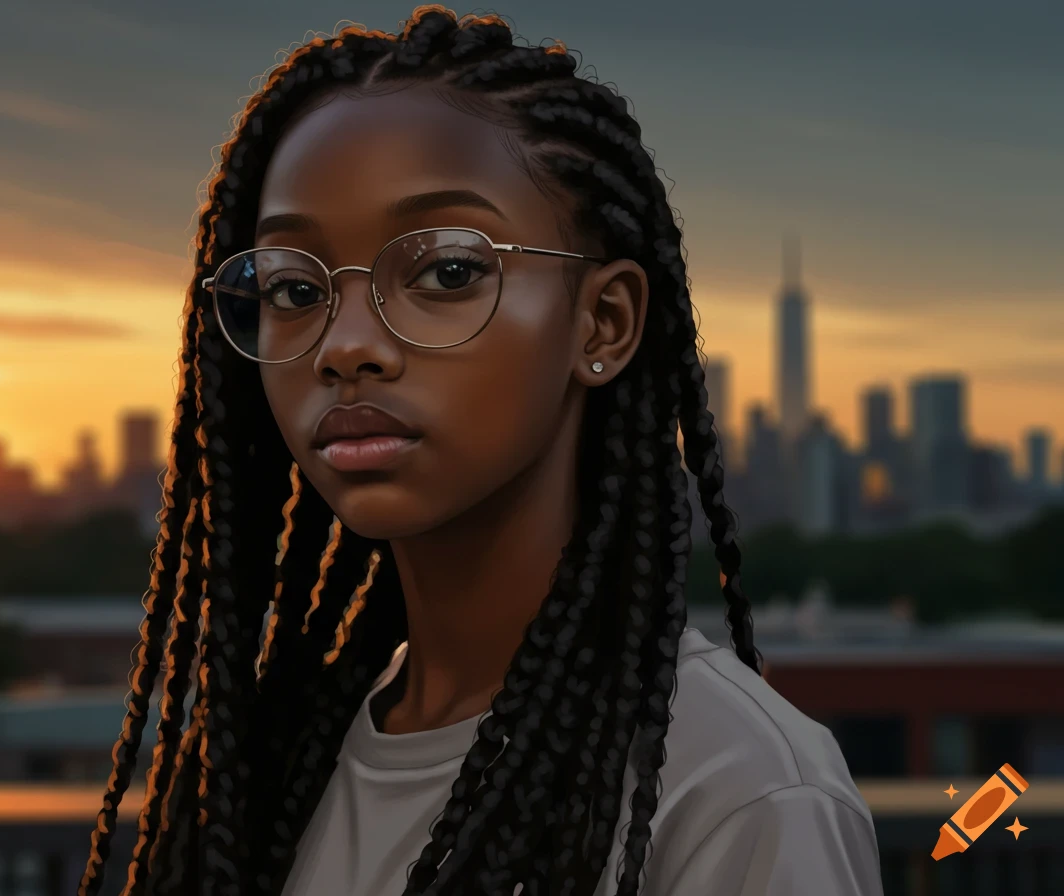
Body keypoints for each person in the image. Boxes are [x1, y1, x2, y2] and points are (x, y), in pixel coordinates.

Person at [78, 7, 884, 895]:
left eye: (447, 273)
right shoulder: (267, 761)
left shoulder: (741, 792)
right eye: (293, 287)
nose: (346, 344)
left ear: (603, 322)